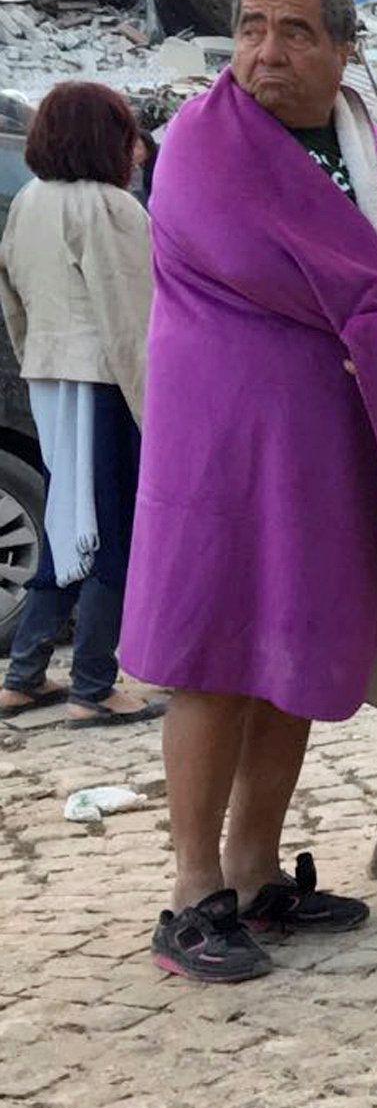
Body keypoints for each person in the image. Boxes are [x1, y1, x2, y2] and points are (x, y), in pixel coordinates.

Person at [124, 0, 377, 983]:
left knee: (290, 655)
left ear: (340, 50)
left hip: (329, 454)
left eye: (291, 31)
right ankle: (192, 894)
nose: (264, 52)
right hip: (225, 449)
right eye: (249, 28)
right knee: (210, 656)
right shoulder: (203, 146)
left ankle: (254, 870)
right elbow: (288, 269)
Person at [0, 83, 161, 729]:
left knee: (67, 524)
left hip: (49, 373)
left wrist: (38, 359)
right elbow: (133, 321)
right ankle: (94, 683)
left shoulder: (31, 202)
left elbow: (13, 297)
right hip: (104, 381)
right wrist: (155, 410)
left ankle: (25, 674)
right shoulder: (112, 209)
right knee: (112, 532)